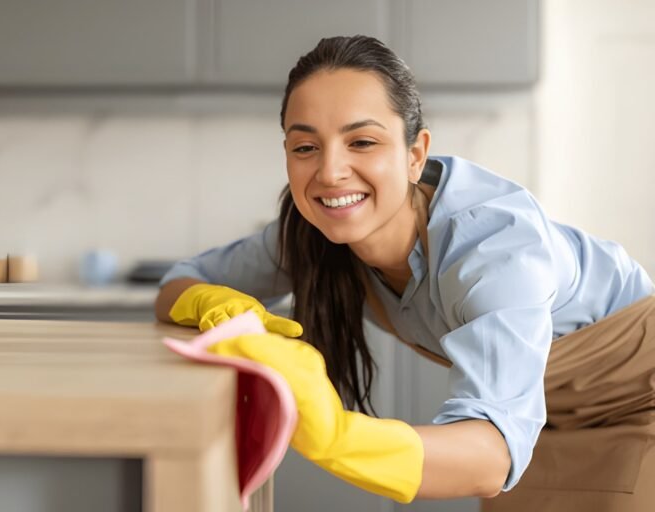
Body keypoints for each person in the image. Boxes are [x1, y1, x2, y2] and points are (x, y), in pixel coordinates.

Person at [154, 35, 655, 510]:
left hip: (637, 406)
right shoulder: (312, 231)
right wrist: (219, 304)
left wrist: (336, 435)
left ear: (415, 154)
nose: (330, 172)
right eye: (305, 147)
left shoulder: (494, 246)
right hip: (540, 421)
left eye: (363, 142)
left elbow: (491, 455)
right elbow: (181, 280)